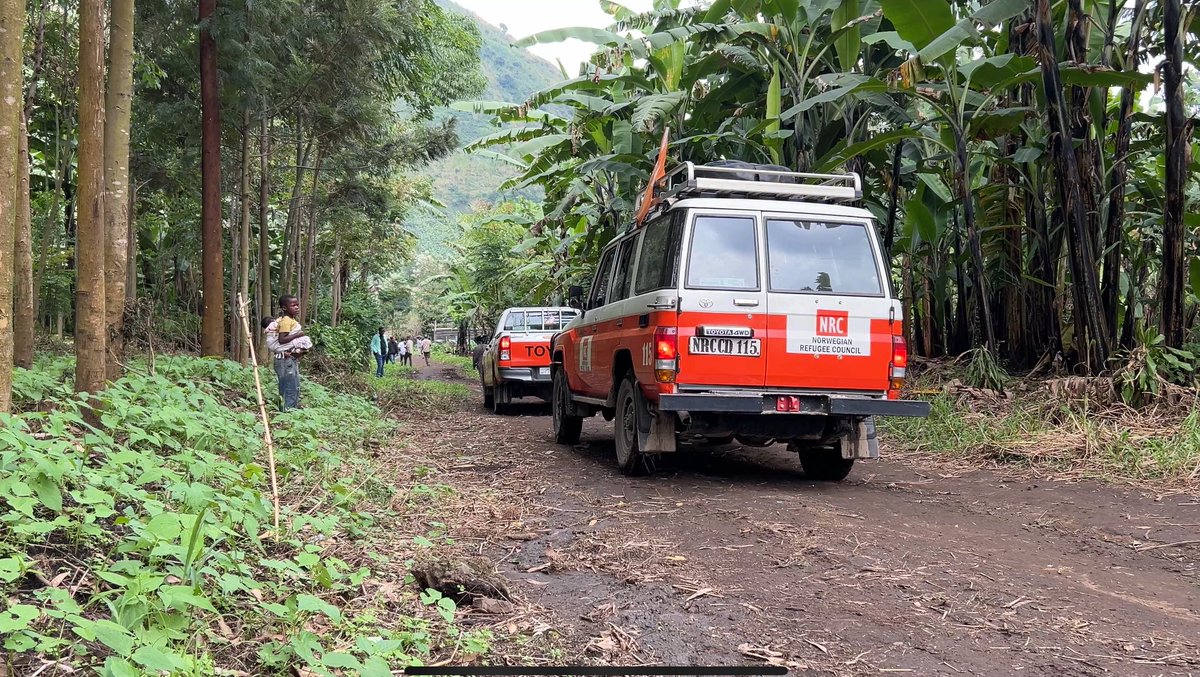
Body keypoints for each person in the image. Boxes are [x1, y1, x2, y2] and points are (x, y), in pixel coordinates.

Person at [265, 295, 306, 411]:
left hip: (286, 360)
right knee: (290, 387)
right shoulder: (286, 321)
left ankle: (287, 410)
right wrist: (298, 335)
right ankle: (288, 412)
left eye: (297, 304)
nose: (296, 307)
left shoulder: (290, 320)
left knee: (290, 386)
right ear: (284, 308)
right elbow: (282, 339)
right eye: (293, 305)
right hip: (285, 360)